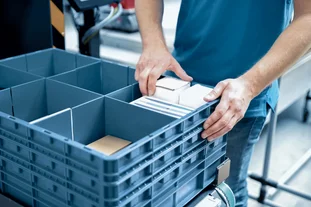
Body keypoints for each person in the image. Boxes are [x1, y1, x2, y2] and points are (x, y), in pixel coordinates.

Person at [134, 0, 311, 206]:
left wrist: (250, 85)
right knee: (172, 189)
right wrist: (153, 44)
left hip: (238, 100)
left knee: (225, 192)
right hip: (178, 83)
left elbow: (308, 17)